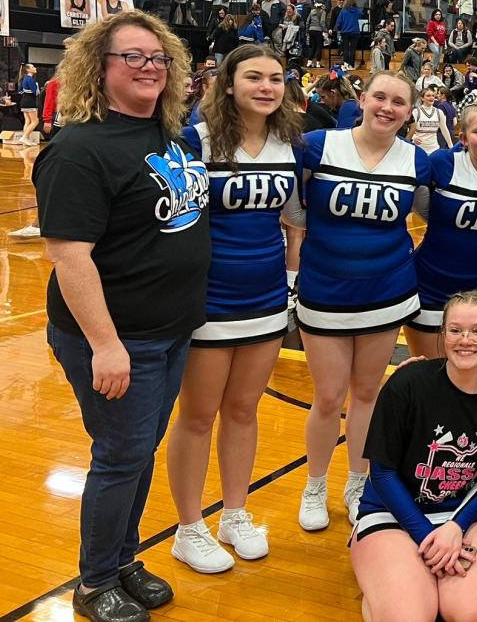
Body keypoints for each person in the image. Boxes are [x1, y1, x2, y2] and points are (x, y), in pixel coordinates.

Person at [34, 10, 209, 622]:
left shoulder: (168, 135)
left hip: (167, 332)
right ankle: (95, 581)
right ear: (97, 68)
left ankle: (123, 559)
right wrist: (107, 345)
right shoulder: (79, 150)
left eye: (157, 57)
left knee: (139, 451)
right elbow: (69, 257)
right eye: (131, 57)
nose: (148, 67)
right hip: (115, 339)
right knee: (119, 454)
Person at [167, 45, 301, 573]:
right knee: (198, 416)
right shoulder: (193, 141)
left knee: (244, 410)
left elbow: (294, 219)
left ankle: (235, 513)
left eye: (275, 78)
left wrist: (292, 277)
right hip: (206, 299)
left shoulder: (289, 145)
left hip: (266, 296)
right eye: (253, 77)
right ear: (227, 84)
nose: (266, 87)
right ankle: (188, 526)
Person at [291, 70, 432, 532]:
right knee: (329, 396)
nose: (387, 108)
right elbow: (293, 208)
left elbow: (433, 213)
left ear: (411, 112)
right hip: (325, 288)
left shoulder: (417, 161)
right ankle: (314, 486)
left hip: (386, 291)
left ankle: (357, 484)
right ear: (363, 98)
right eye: (380, 97)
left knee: (368, 394)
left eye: (399, 102)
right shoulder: (317, 145)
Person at [350, 292, 477, 622]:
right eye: (455, 330)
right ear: (442, 334)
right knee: (412, 616)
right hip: (393, 516)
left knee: (472, 613)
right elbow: (382, 473)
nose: (465, 340)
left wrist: (456, 525)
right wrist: (427, 539)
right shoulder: (408, 383)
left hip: (461, 518)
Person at [409, 100, 477, 356]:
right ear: (463, 138)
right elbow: (416, 204)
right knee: (429, 375)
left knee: (470, 374)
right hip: (429, 286)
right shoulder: (442, 162)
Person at [15, 62, 40, 144]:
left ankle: (26, 140)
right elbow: (36, 93)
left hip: (24, 102)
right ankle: (25, 137)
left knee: (28, 121)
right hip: (30, 102)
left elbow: (20, 91)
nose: (35, 68)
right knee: (35, 121)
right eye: (33, 67)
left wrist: (27, 91)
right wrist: (37, 86)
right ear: (28, 70)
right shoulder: (30, 79)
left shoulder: (23, 78)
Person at [336, 0, 363, 70]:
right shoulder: (357, 11)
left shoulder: (343, 11)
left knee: (345, 49)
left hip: (345, 32)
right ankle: (351, 65)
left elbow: (339, 22)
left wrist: (339, 28)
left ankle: (345, 65)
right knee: (352, 49)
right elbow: (361, 15)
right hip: (355, 32)